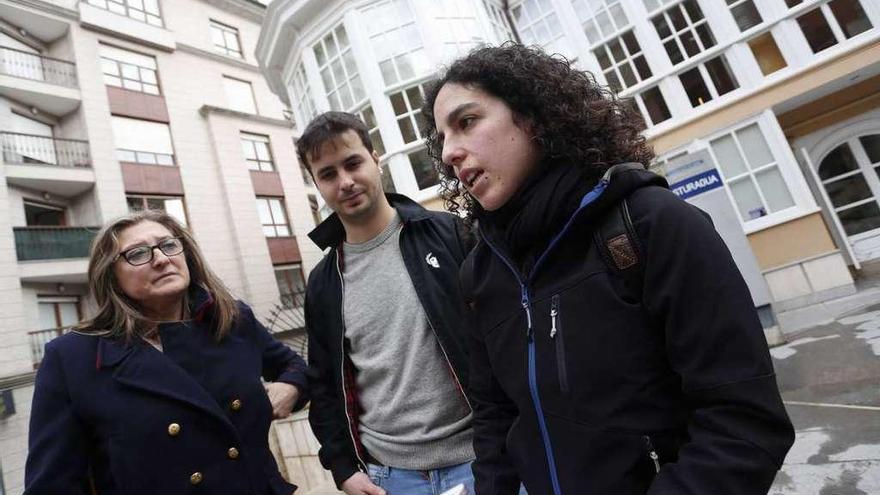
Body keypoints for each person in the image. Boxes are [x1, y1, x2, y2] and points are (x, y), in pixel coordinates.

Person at [422, 44, 795, 495]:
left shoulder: (651, 223)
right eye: (442, 138)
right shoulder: (481, 274)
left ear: (534, 114)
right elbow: (496, 424)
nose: (450, 153)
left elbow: (744, 423)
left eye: (466, 122)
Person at [24, 210, 308, 495]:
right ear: (111, 276)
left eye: (169, 245)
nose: (161, 259)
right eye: (137, 254)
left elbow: (294, 365)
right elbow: (52, 485)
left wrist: (291, 386)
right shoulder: (72, 357)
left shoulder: (232, 320)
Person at [297, 112, 476, 495]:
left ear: (375, 159)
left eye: (353, 163)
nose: (345, 182)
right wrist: (344, 469)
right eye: (328, 174)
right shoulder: (324, 283)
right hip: (389, 479)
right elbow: (324, 386)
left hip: (481, 461)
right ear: (315, 185)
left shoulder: (448, 235)